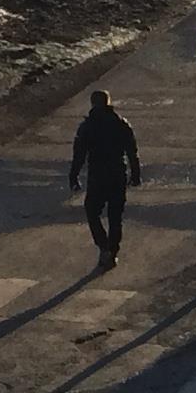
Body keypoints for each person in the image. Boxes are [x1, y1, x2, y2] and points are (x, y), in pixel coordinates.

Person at [68, 89, 143, 268]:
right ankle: (113, 250)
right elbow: (132, 152)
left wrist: (73, 176)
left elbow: (79, 154)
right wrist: (136, 174)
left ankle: (103, 247)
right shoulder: (121, 124)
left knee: (92, 211)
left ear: (93, 104)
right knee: (115, 216)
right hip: (118, 174)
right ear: (109, 103)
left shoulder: (87, 126)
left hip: (97, 175)